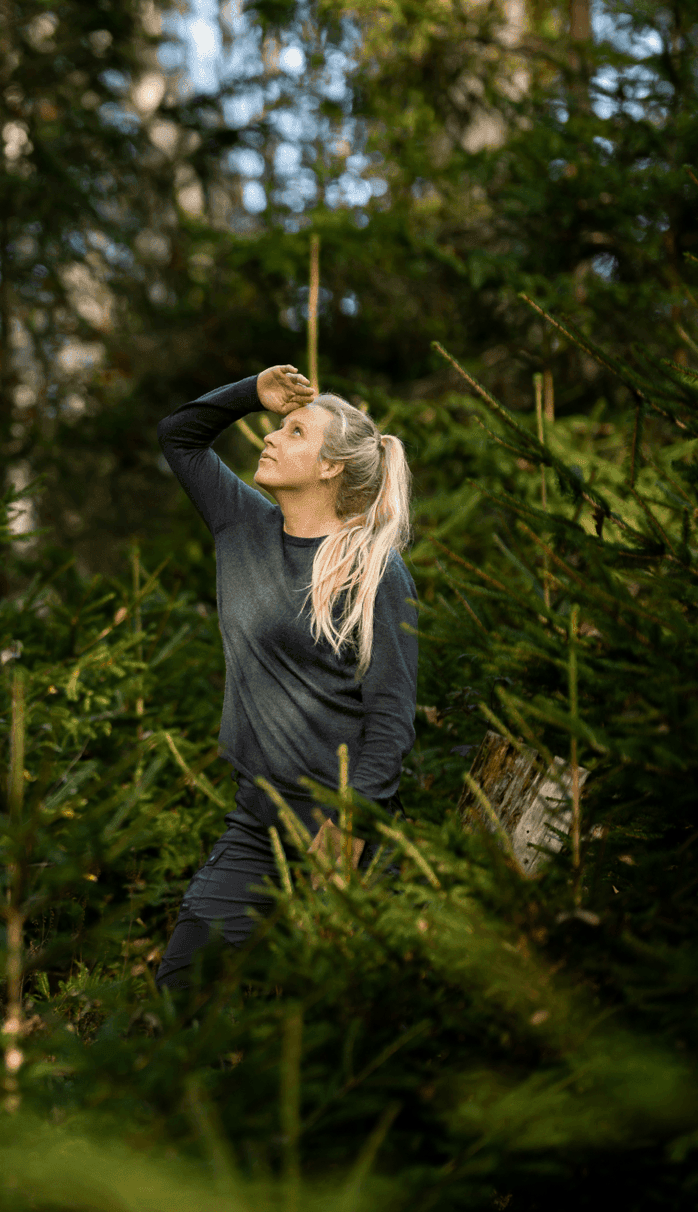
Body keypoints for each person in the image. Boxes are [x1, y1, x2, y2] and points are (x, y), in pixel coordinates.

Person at [153, 364, 418, 989]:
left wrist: (349, 827)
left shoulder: (374, 570)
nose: (270, 437)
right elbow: (179, 435)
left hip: (345, 830)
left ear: (330, 467)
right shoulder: (239, 527)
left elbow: (391, 718)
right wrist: (252, 393)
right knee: (181, 988)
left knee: (341, 1017)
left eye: (294, 432)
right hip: (256, 821)